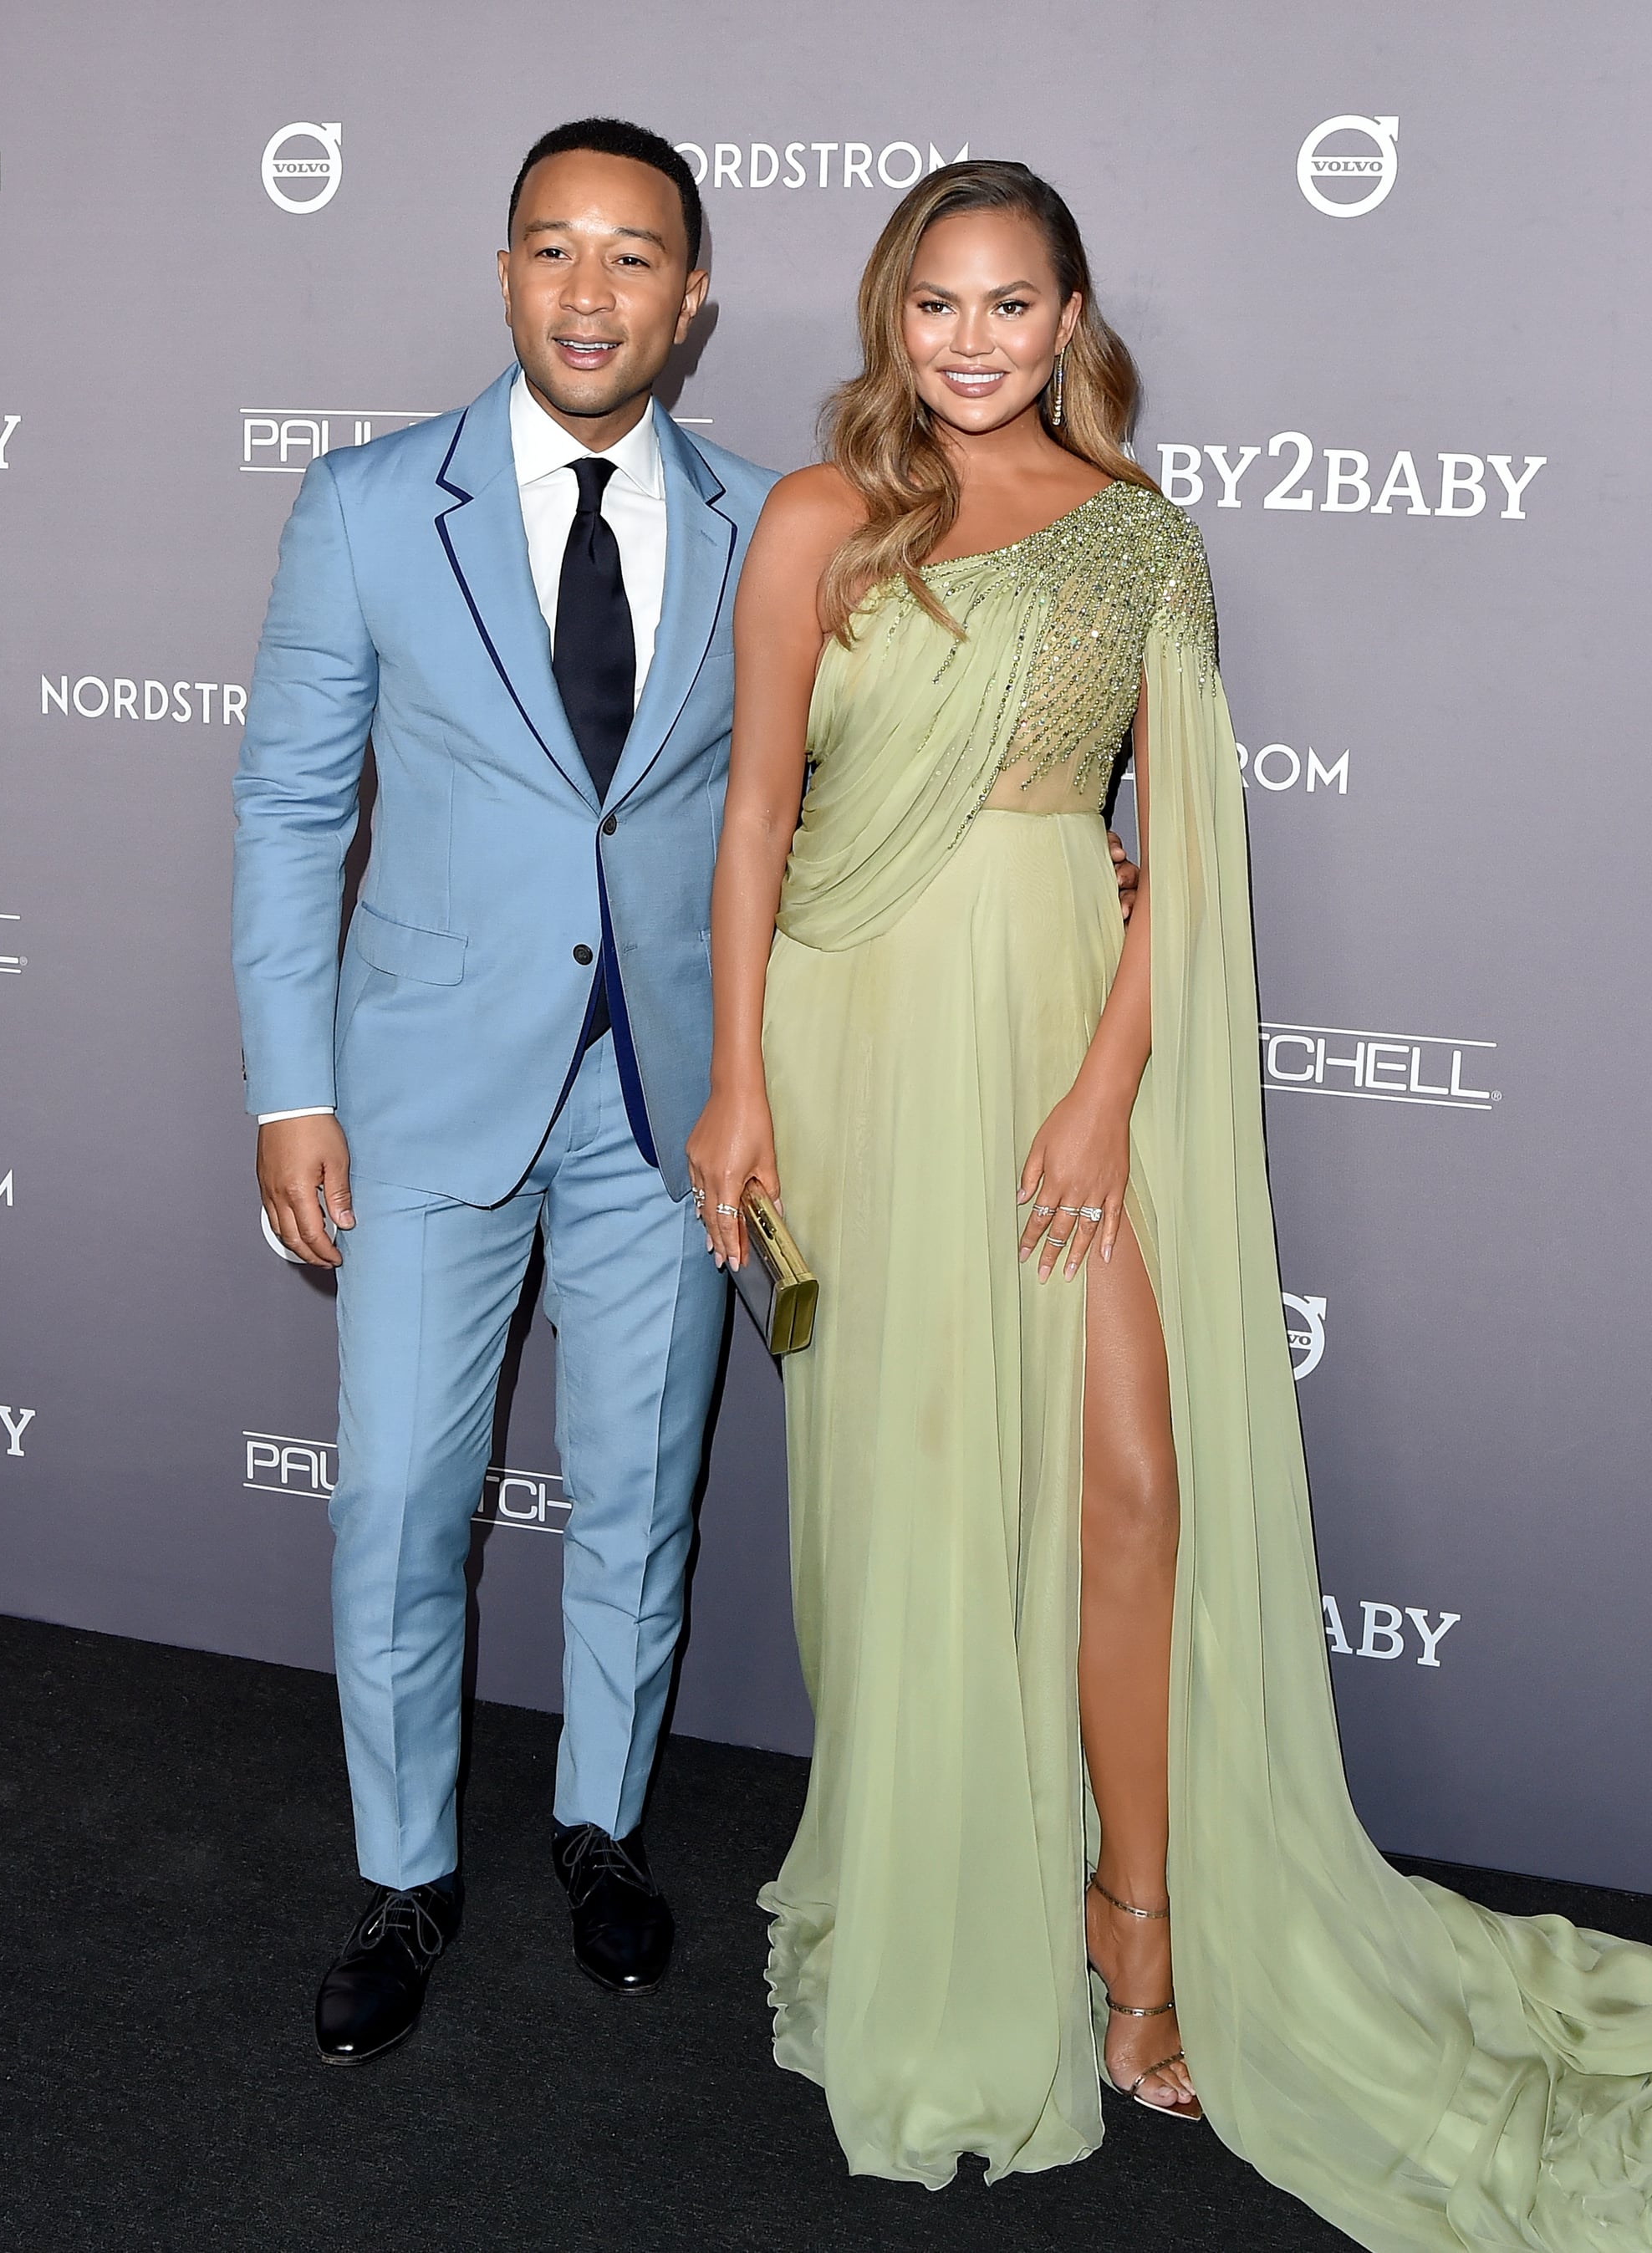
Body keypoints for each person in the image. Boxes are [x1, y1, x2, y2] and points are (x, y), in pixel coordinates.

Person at [687, 160, 1652, 2240]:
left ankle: (1139, 1922)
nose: (968, 341)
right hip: (854, 1032)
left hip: (1051, 1024)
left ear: (1068, 319)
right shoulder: (811, 521)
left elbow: (1187, 850)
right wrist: (738, 1082)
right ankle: (972, 1901)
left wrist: (1103, 1086)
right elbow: (757, 803)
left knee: (1134, 1482)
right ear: (890, 313)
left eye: (1009, 304)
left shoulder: (1137, 541)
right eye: (934, 303)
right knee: (929, 1488)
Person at [231, 118, 781, 2062]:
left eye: (634, 256)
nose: (588, 290)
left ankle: (604, 1828)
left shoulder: (763, 519)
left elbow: (808, 809)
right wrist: (291, 1088)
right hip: (420, 1091)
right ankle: (405, 1867)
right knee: (397, 1495)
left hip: (672, 1101)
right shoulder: (372, 503)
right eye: (553, 248)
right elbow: (295, 807)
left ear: (690, 297)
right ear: (503, 275)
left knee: (637, 1494)